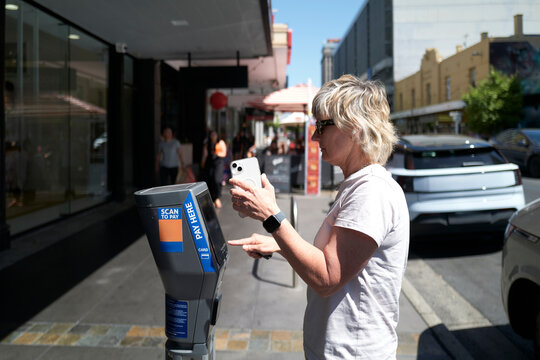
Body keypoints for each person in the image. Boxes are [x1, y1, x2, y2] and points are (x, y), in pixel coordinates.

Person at [228, 75, 410, 359]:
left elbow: (327, 277)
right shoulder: (359, 185)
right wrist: (280, 245)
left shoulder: (371, 191)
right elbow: (335, 260)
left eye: (322, 125)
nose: (314, 136)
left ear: (355, 127)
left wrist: (271, 216)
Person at [201, 130, 227, 208]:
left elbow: (224, 153)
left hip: (218, 163)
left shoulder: (221, 142)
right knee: (210, 180)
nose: (213, 136)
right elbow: (205, 154)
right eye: (212, 135)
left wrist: (216, 153)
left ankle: (217, 197)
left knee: (217, 180)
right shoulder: (207, 143)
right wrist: (203, 161)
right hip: (209, 163)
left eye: (214, 135)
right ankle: (212, 199)